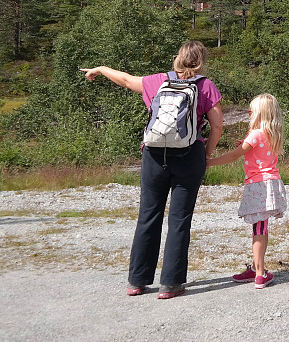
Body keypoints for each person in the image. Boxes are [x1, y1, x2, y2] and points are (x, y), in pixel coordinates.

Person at [82, 40, 223, 299]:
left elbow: (124, 80)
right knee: (179, 220)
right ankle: (171, 284)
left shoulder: (158, 81)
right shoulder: (205, 86)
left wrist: (101, 69)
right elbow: (217, 126)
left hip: (154, 157)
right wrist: (205, 154)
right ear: (202, 60)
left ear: (178, 58)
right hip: (189, 156)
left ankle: (137, 281)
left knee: (148, 215)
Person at [207, 92, 287, 289]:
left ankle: (259, 274)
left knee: (258, 228)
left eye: (251, 111)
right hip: (271, 183)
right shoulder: (272, 134)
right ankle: (257, 267)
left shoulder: (255, 134)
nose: (249, 114)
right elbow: (256, 151)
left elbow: (235, 155)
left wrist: (209, 163)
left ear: (259, 114)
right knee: (262, 227)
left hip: (258, 184)